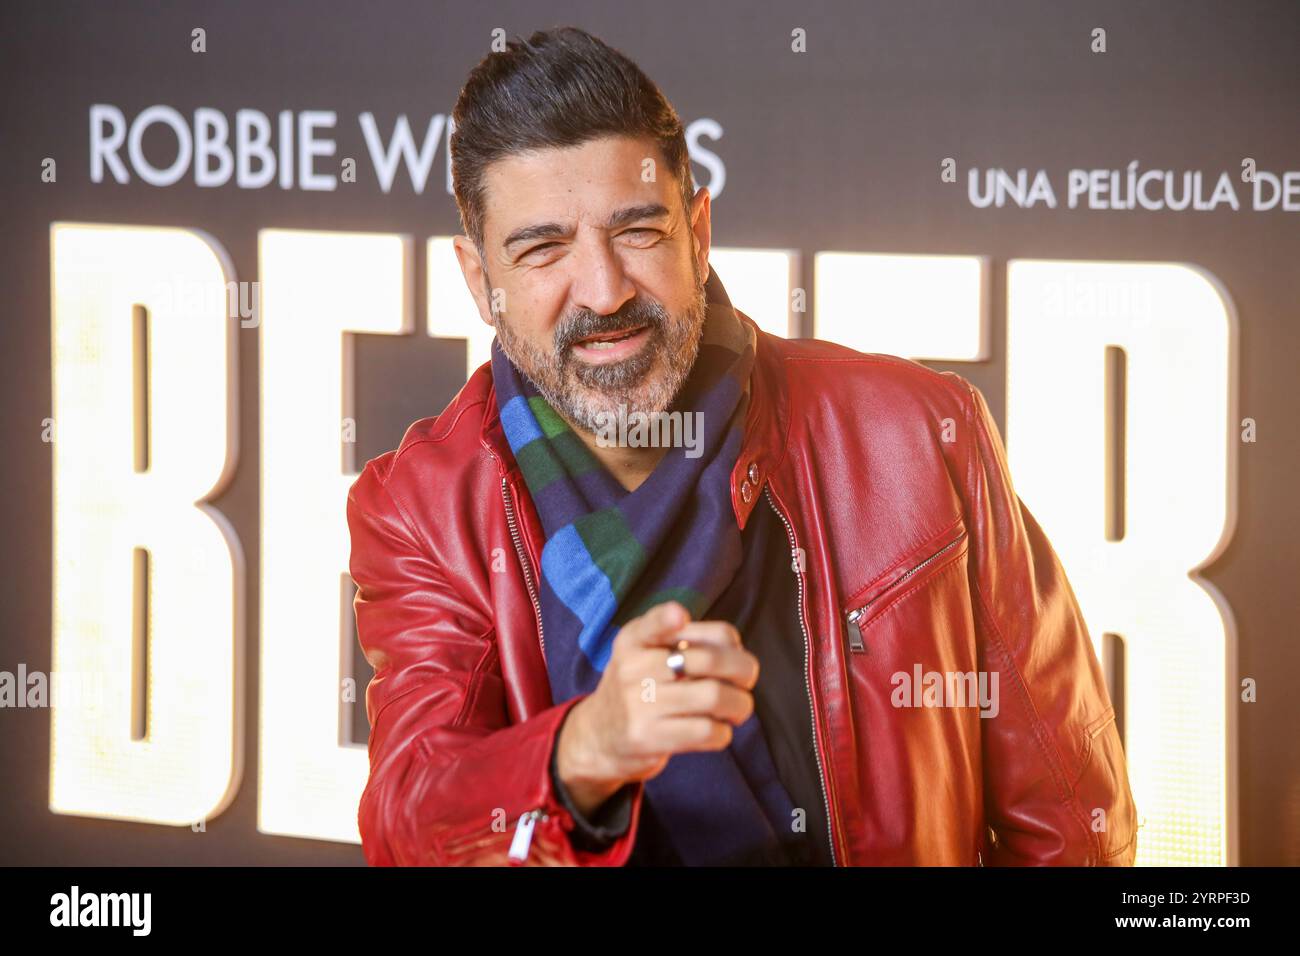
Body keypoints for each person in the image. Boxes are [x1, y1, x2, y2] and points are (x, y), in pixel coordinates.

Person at [346, 26, 1138, 866]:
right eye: (543, 248)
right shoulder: (420, 506)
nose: (606, 290)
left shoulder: (918, 432)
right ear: (480, 282)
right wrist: (587, 748)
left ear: (698, 230)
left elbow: (1068, 817)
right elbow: (411, 822)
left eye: (639, 231)